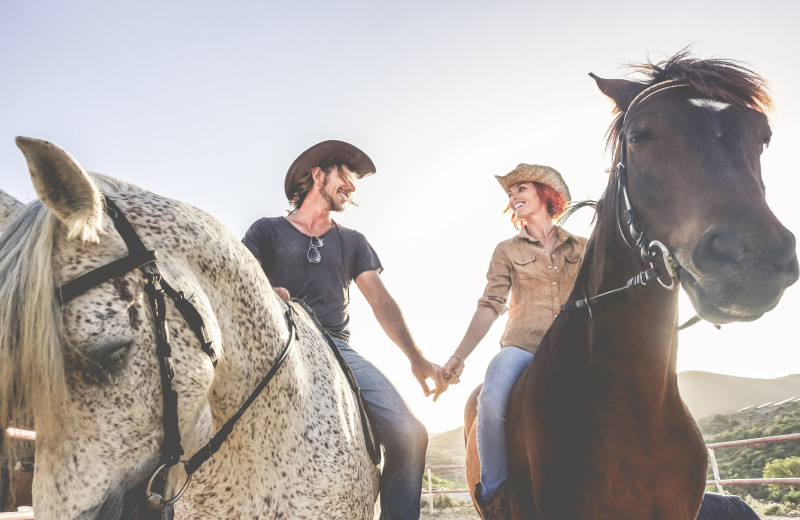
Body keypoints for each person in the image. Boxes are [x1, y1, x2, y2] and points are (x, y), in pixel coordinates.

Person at [242, 140, 448, 520]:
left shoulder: (353, 241)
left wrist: (417, 359)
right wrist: (267, 292)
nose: (352, 186)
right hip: (272, 343)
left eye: (355, 180)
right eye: (346, 175)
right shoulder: (266, 231)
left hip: (335, 348)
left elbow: (382, 303)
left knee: (410, 434)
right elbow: (239, 282)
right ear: (317, 174)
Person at [442, 163, 587, 509]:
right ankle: (495, 497)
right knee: (490, 398)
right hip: (522, 348)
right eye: (510, 193)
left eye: (521, 188)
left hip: (576, 348)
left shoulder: (582, 248)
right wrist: (457, 357)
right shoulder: (507, 250)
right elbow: (490, 305)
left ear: (544, 193)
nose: (513, 196)